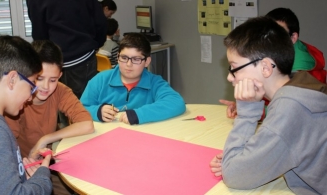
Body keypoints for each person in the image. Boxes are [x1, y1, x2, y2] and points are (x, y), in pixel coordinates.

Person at [209, 16, 327, 194]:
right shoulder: (301, 86)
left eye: (234, 68)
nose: (230, 77)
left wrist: (247, 112)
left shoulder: (289, 109)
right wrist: (245, 158)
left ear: (265, 67)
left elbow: (234, 176)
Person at [5, 40, 95, 195]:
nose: (46, 86)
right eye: (39, 78)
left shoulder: (60, 90)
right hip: (20, 169)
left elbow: (87, 124)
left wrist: (45, 139)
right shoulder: (17, 101)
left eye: (53, 80)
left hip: (49, 165)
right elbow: (7, 151)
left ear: (60, 75)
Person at [0, 35, 52, 194]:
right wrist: (42, 177)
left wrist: (21, 171)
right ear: (13, 79)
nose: (30, 97)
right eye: (31, 85)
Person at [220, 7, 326, 119]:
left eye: (278, 33)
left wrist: (252, 111)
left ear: (293, 38)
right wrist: (247, 105)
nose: (269, 39)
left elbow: (287, 111)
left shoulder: (299, 72)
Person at [80, 33, 186, 125]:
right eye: (124, 58)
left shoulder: (155, 82)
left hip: (141, 137)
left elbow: (176, 103)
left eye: (136, 59)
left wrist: (139, 114)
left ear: (147, 61)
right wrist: (97, 111)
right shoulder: (100, 80)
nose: (128, 64)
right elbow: (80, 109)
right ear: (117, 57)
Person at [27, 0, 107, 99]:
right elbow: (100, 22)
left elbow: (39, 31)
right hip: (82, 56)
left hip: (54, 59)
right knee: (86, 105)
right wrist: (95, 44)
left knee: (59, 105)